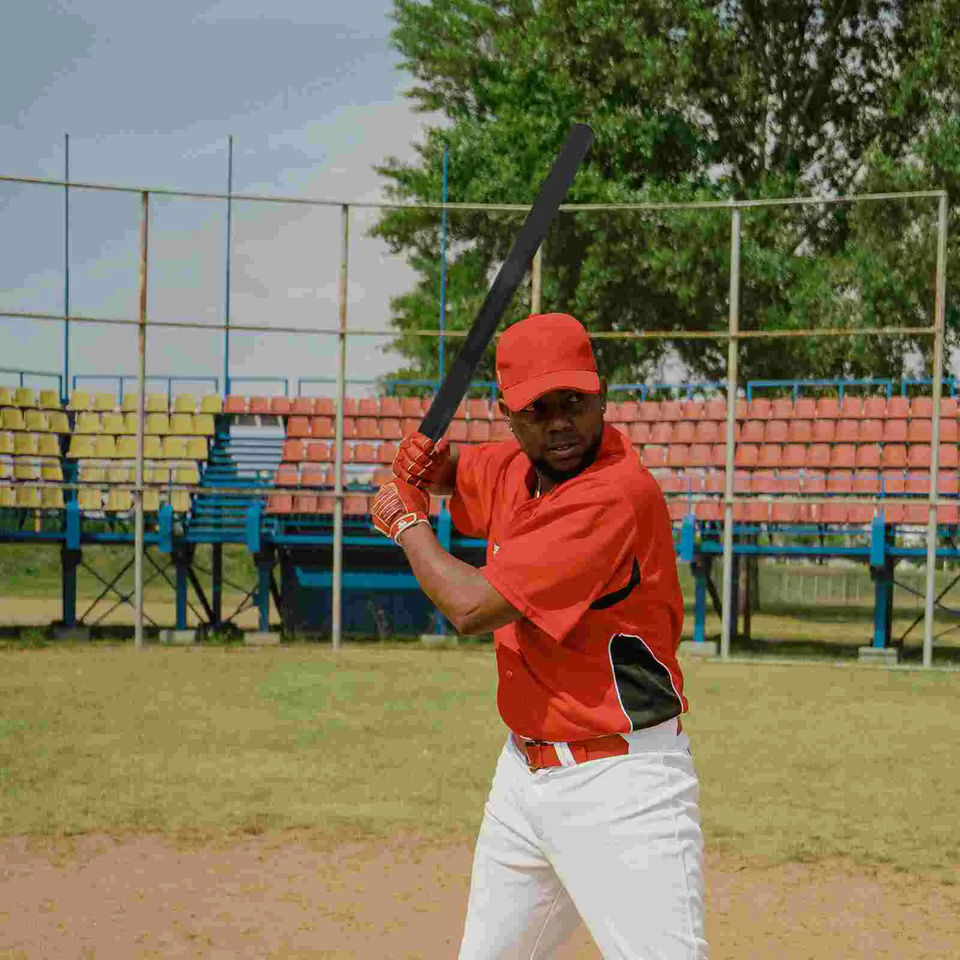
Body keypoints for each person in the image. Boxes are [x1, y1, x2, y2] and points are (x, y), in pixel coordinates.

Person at [370, 312, 708, 959]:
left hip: (622, 784)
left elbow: (471, 606)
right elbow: (462, 473)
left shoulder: (613, 494)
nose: (559, 424)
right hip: (523, 777)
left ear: (602, 397)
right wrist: (430, 465)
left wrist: (406, 523)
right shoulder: (519, 468)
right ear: (508, 416)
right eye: (538, 409)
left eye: (574, 402)